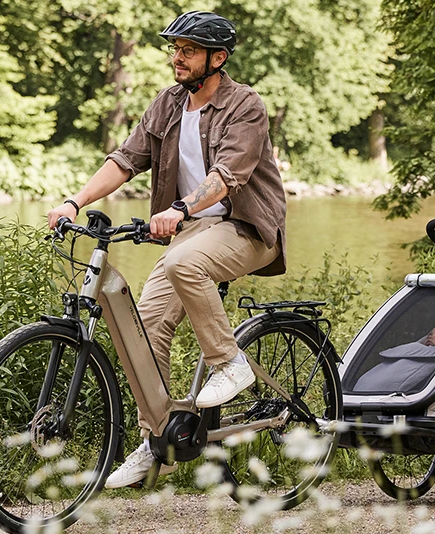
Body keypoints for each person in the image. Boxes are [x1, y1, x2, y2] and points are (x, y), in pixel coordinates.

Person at [43, 11, 287, 489]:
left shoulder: (245, 105)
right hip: (192, 232)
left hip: (246, 228)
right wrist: (75, 201)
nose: (177, 57)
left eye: (189, 50)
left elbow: (228, 176)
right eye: (175, 49)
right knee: (145, 327)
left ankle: (230, 363)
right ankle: (158, 441)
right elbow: (125, 160)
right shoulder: (168, 104)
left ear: (218, 59)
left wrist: (179, 208)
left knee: (181, 261)